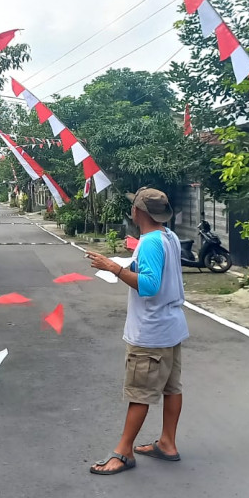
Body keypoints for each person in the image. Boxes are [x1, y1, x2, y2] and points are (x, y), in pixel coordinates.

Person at [86, 187, 188, 475]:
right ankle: (167, 443)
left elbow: (149, 285)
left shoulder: (152, 241)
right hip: (170, 326)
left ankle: (123, 452)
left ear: (138, 212)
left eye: (134, 206)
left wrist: (114, 268)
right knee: (171, 387)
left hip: (150, 331)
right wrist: (126, 265)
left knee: (139, 393)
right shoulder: (169, 236)